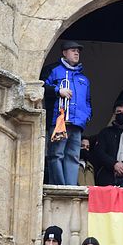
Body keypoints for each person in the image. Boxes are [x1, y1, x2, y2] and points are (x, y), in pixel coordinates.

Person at [42, 40, 92, 185]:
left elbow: (88, 100)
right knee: (56, 154)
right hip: (58, 120)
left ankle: (70, 187)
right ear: (64, 53)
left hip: (77, 123)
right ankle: (59, 186)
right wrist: (58, 90)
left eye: (78, 51)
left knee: (73, 156)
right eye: (73, 50)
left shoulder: (83, 78)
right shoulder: (53, 70)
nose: (76, 53)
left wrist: (86, 116)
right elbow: (41, 86)